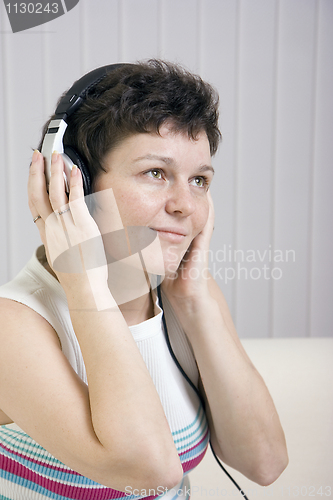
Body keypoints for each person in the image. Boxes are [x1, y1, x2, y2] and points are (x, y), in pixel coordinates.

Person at [0, 60, 288, 500]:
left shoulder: (188, 299)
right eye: (156, 173)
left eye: (199, 181)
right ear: (72, 181)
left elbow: (264, 463)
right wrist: (83, 280)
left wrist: (194, 301)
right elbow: (149, 469)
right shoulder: (13, 326)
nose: (185, 206)